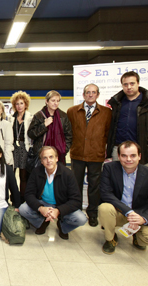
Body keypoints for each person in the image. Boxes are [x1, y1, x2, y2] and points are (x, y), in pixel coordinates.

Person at [100, 141, 148, 254]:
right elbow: (106, 194)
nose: (128, 159)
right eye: (124, 155)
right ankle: (110, 239)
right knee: (104, 208)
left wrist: (143, 219)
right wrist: (129, 212)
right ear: (119, 156)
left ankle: (138, 239)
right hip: (119, 211)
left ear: (139, 156)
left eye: (133, 155)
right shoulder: (109, 168)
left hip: (141, 213)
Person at [19, 146, 87, 240]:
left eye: (51, 157)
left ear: (57, 158)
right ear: (41, 161)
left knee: (81, 219)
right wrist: (41, 208)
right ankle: (42, 222)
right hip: (43, 203)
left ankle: (63, 226)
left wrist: (59, 210)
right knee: (23, 209)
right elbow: (28, 194)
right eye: (45, 158)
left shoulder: (68, 174)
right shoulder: (36, 172)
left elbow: (76, 200)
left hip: (61, 204)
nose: (48, 160)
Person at [67, 84, 111, 227]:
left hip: (96, 155)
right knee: (76, 185)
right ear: (83, 94)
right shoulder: (72, 111)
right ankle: (76, 210)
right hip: (77, 154)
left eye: (93, 92)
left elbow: (108, 135)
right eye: (88, 92)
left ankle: (93, 213)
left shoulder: (106, 112)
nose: (90, 95)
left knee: (94, 186)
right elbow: (68, 132)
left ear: (98, 95)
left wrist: (107, 152)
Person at [106, 71, 148, 168]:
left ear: (138, 83)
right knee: (117, 180)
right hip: (118, 149)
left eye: (132, 83)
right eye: (125, 84)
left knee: (141, 181)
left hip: (142, 150)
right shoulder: (116, 103)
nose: (129, 87)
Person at [28, 90, 72, 165]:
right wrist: (44, 125)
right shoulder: (38, 116)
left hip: (58, 155)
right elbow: (31, 134)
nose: (56, 103)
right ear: (46, 101)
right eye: (53, 100)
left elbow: (69, 135)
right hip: (42, 155)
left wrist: (64, 149)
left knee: (58, 176)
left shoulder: (63, 116)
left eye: (58, 101)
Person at [7, 91, 34, 202]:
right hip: (13, 148)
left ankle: (22, 199)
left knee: (23, 177)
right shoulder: (10, 118)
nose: (19, 106)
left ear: (26, 104)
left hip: (24, 148)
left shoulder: (31, 117)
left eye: (21, 103)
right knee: (11, 176)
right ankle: (13, 198)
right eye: (17, 104)